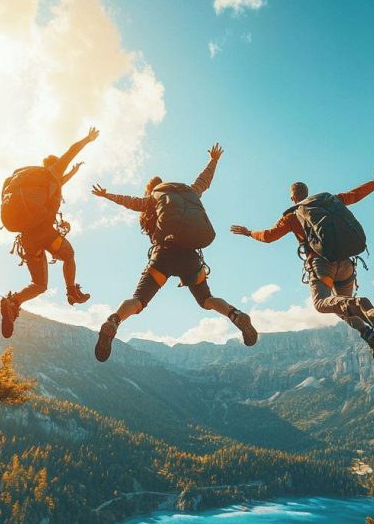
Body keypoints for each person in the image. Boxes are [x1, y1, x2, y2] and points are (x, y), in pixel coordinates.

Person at [90, 143, 258, 362]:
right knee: (207, 299)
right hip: (190, 256)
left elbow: (130, 202)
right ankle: (235, 315)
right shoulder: (188, 191)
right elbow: (204, 181)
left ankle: (114, 320)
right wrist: (214, 160)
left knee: (138, 300)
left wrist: (107, 195)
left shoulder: (152, 198)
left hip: (163, 255)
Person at [230, 169, 374, 362]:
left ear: (292, 198)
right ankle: (371, 328)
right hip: (346, 262)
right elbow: (354, 195)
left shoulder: (292, 216)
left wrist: (249, 232)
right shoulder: (327, 202)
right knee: (341, 305)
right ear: (307, 193)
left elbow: (268, 236)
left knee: (322, 304)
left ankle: (361, 308)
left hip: (322, 265)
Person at [0, 127, 99, 338]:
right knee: (69, 255)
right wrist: (88, 140)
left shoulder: (35, 180)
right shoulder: (53, 172)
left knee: (39, 284)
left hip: (26, 236)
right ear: (56, 165)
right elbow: (71, 151)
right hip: (44, 231)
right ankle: (72, 291)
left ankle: (13, 302)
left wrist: (74, 172)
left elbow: (62, 181)